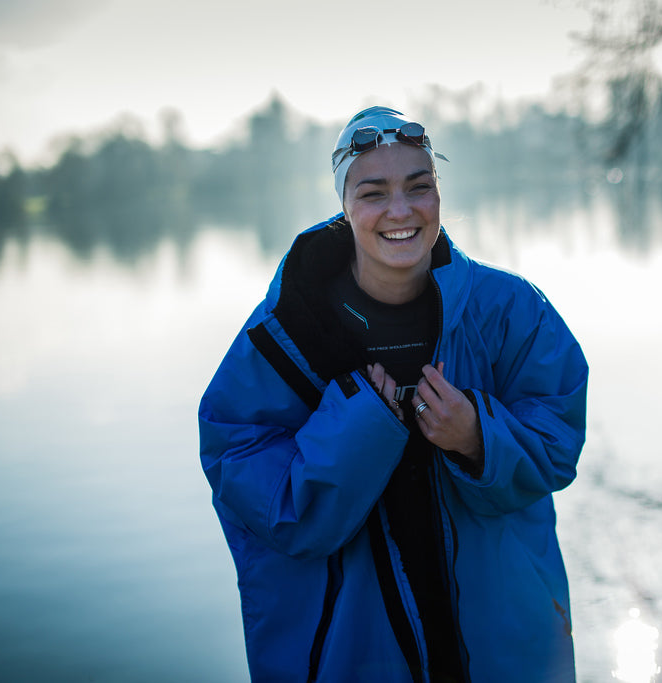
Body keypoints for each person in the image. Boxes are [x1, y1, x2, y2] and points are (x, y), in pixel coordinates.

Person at [198, 106, 588, 682]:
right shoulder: (286, 333)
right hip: (357, 647)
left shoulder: (510, 311)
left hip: (502, 637)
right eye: (373, 192)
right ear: (345, 204)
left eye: (419, 187)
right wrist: (357, 432)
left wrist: (478, 436)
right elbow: (241, 469)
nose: (401, 210)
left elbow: (557, 439)